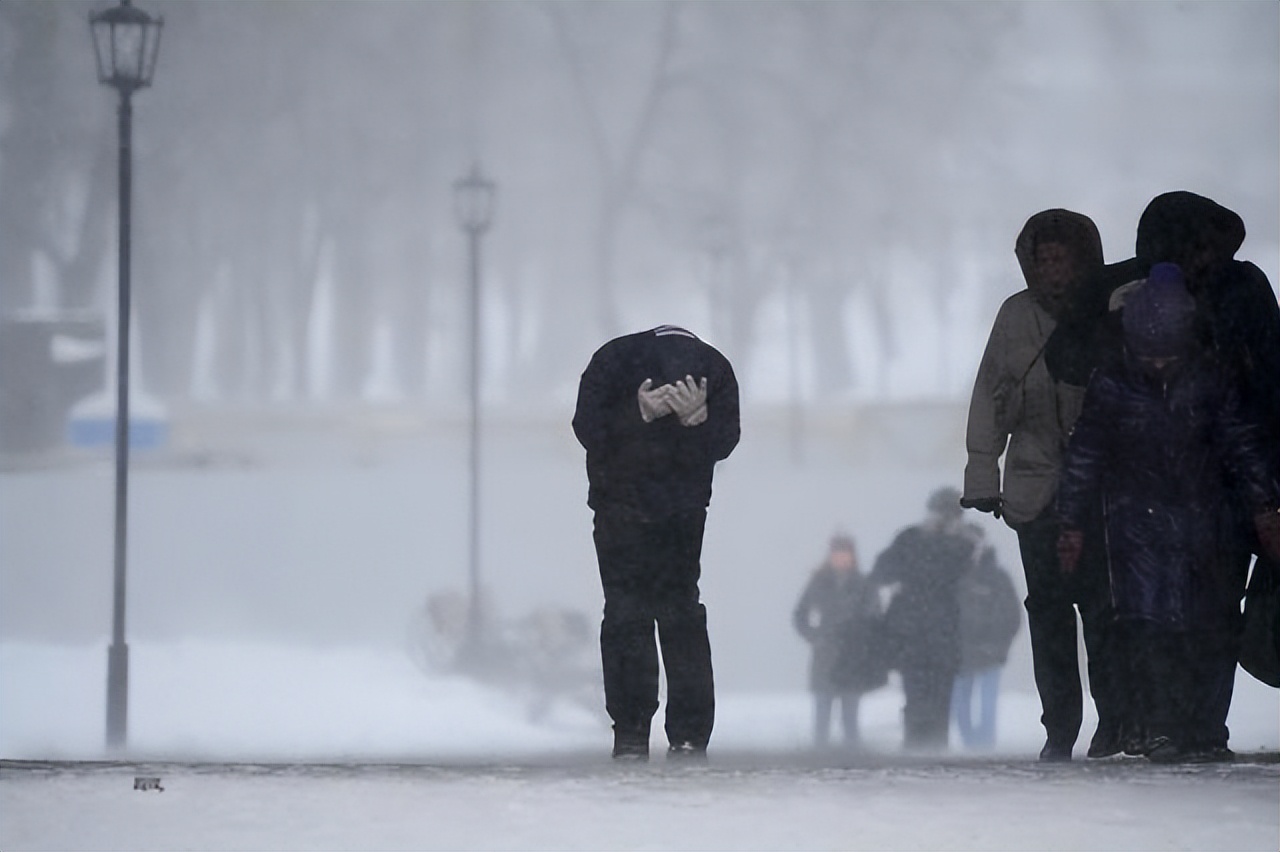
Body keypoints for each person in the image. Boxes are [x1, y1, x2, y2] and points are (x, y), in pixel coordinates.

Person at [1056, 263, 1280, 763]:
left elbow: (1243, 446)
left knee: (1206, 628)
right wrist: (1071, 523)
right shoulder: (1114, 382)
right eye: (1149, 351)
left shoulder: (1209, 377)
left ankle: (1202, 728)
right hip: (1139, 528)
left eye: (1167, 351)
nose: (1158, 362)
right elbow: (1085, 456)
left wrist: (1265, 505)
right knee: (1151, 627)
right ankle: (1163, 726)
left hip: (1203, 524)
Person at [961, 208, 1124, 761]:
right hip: (1034, 488)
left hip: (1102, 488)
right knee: (1049, 612)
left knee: (1103, 610)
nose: (1053, 270)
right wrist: (982, 473)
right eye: (1044, 259)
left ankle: (1115, 719)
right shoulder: (1015, 317)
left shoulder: (1109, 309)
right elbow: (991, 395)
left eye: (1063, 259)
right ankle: (1060, 724)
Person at [572, 324, 740, 761]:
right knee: (678, 614)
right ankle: (686, 734)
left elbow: (589, 428)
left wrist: (640, 416)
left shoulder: (611, 361)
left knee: (629, 614)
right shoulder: (715, 369)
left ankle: (631, 731)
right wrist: (690, 421)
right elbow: (723, 441)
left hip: (624, 512)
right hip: (671, 514)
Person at [870, 487, 976, 751]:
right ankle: (918, 748)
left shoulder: (964, 546)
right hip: (916, 635)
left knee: (936, 700)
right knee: (920, 698)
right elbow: (881, 571)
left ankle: (931, 749)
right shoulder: (913, 540)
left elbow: (972, 585)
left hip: (937, 636)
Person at [792, 534, 885, 749]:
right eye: (837, 553)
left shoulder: (863, 584)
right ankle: (820, 757)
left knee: (850, 716)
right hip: (825, 656)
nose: (841, 558)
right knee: (822, 714)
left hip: (853, 657)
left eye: (845, 553)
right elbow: (800, 614)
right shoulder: (819, 581)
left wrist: (863, 640)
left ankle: (852, 761)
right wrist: (814, 636)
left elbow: (875, 617)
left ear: (852, 556)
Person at [951, 537, 1022, 750]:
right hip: (967, 651)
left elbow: (1011, 616)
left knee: (983, 701)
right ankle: (972, 742)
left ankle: (982, 743)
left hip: (983, 651)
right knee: (965, 701)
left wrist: (998, 643)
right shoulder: (961, 578)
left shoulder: (993, 578)